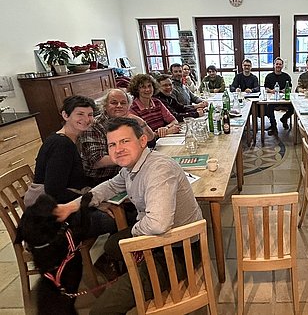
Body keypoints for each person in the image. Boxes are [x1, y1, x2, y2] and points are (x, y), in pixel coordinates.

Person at [55, 117, 204, 315]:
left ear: (142, 141)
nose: (118, 149)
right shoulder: (132, 167)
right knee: (110, 246)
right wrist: (70, 207)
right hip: (156, 239)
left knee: (100, 311)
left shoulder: (158, 169)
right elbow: (108, 187)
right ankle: (135, 278)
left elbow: (159, 224)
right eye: (112, 144)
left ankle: (139, 281)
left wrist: (135, 231)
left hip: (178, 248)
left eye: (125, 141)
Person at [34, 95, 116, 237]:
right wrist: (93, 202)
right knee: (118, 217)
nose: (86, 119)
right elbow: (54, 191)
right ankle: (118, 254)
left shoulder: (72, 139)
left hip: (68, 202)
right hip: (55, 214)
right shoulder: (62, 145)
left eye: (90, 115)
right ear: (65, 115)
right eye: (80, 114)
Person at [79, 89, 155, 184]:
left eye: (123, 103)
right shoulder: (94, 125)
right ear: (105, 106)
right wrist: (133, 156)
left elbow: (150, 139)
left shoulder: (127, 121)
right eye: (114, 103)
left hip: (126, 172)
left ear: (128, 106)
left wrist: (141, 122)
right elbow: (98, 161)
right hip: (101, 179)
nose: (119, 106)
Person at [128, 73, 180, 138]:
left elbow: (174, 121)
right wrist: (167, 132)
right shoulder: (132, 108)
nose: (147, 89)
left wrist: (166, 128)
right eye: (143, 87)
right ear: (136, 90)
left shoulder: (157, 102)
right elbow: (141, 135)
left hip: (163, 140)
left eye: (149, 86)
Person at [264, 57, 294, 134]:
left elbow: (290, 87)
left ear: (282, 66)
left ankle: (284, 119)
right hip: (273, 98)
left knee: (293, 108)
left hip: (284, 99)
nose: (278, 66)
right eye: (277, 64)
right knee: (268, 108)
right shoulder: (269, 76)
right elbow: (266, 88)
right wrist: (271, 91)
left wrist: (286, 90)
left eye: (280, 64)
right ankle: (274, 127)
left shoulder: (286, 76)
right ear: (274, 65)